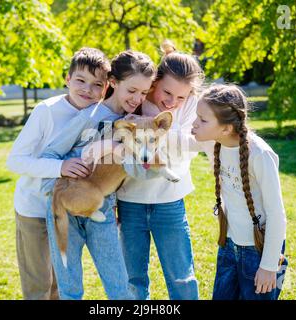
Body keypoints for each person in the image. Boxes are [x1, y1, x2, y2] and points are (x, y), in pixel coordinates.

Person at [39, 50, 156, 300]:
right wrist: (62, 170)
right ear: (113, 82)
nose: (138, 98)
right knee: (69, 286)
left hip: (102, 208)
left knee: (119, 284)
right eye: (132, 90)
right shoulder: (88, 116)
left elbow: (139, 169)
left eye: (144, 93)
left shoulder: (135, 124)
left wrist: (121, 148)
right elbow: (50, 154)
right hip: (63, 205)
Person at [6, 47, 111, 299]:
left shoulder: (100, 115)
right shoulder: (47, 111)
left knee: (61, 283)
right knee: (38, 282)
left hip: (66, 212)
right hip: (34, 209)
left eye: (97, 84)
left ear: (107, 88)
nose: (87, 89)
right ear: (67, 79)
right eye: (80, 80)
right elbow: (15, 161)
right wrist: (59, 167)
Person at [116, 40, 205, 300]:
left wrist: (155, 124)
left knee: (181, 277)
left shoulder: (190, 105)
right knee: (133, 280)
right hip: (130, 202)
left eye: (180, 97)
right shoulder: (132, 101)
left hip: (169, 201)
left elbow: (188, 147)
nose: (172, 102)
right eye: (167, 93)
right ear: (154, 82)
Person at [191, 83, 288, 300]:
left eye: (203, 120)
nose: (195, 123)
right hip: (229, 246)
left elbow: (277, 215)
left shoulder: (260, 155)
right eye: (197, 116)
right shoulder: (214, 142)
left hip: (259, 250)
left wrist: (269, 266)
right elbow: (180, 141)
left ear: (226, 128)